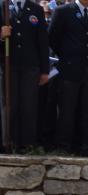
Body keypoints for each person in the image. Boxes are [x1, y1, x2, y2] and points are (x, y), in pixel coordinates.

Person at [48, 0, 88, 155]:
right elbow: (53, 38)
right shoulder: (63, 11)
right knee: (66, 110)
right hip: (69, 69)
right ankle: (63, 146)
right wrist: (68, 56)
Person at [0, 0, 49, 152]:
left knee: (29, 106)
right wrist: (1, 35)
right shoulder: (2, 7)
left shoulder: (36, 9)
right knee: (10, 105)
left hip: (30, 66)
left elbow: (42, 40)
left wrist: (45, 70)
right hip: (8, 65)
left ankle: (27, 144)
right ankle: (9, 142)